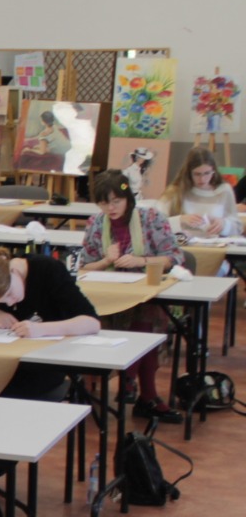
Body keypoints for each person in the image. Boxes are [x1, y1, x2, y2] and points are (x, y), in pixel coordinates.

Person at [80, 171, 183, 423]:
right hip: (108, 295)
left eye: (116, 201)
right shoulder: (95, 224)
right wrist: (106, 260)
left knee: (146, 313)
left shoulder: (151, 218)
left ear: (128, 198)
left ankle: (132, 381)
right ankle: (143, 394)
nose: (111, 208)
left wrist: (141, 261)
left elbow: (174, 257)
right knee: (87, 316)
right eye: (104, 203)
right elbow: (84, 266)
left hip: (145, 292)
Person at [0, 247, 101, 400]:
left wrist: (41, 329)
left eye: (9, 293)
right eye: (1, 302)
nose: (9, 303)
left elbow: (92, 322)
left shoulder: (48, 269)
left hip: (42, 363)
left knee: (11, 391)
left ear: (14, 271)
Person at [160, 147, 240, 238]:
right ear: (189, 173)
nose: (202, 179)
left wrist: (224, 224)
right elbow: (156, 224)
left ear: (213, 171)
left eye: (207, 173)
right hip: (184, 243)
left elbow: (237, 227)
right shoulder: (175, 191)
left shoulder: (224, 190)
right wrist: (180, 220)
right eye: (197, 174)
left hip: (215, 243)